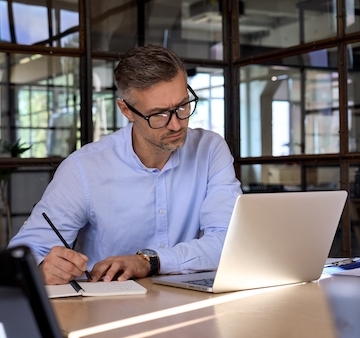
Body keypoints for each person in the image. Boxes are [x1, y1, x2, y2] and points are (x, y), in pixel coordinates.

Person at [8, 44, 241, 285]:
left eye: (182, 106)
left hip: (192, 304)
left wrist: (149, 261)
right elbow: (24, 253)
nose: (176, 124)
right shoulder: (84, 168)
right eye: (159, 114)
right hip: (108, 308)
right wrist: (42, 267)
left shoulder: (210, 149)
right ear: (126, 110)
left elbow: (228, 241)